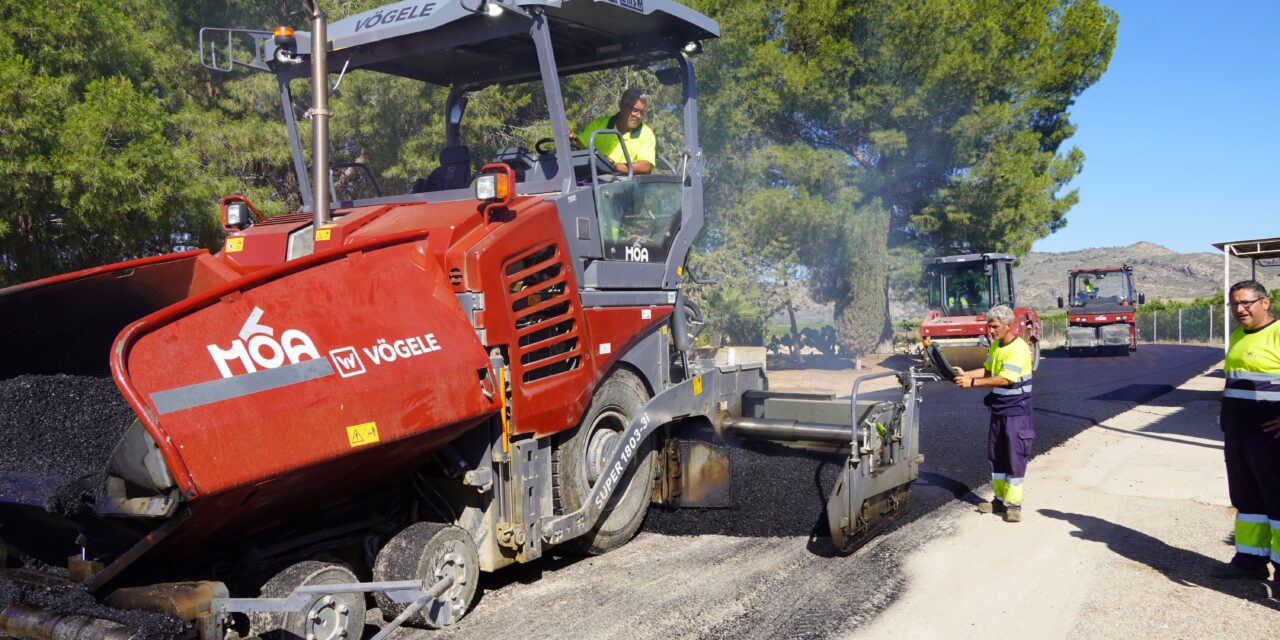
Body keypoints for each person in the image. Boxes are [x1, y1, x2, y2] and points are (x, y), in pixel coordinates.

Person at [1212, 280, 1280, 587]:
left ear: (1265, 303)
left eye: (1246, 303)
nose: (1240, 309)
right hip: (1238, 435)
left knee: (1277, 501)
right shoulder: (1239, 336)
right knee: (1247, 499)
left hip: (1270, 438)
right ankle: (1250, 561)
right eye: (1234, 304)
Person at [952, 304, 1035, 523]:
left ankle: (1014, 505)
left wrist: (972, 383)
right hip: (999, 409)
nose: (990, 331)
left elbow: (1006, 379)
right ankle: (999, 500)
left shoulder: (1019, 348)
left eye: (995, 327)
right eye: (989, 327)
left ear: (1009, 325)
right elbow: (989, 371)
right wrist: (967, 373)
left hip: (1017, 412)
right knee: (996, 455)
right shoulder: (997, 346)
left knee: (1014, 456)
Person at [573, 88, 656, 175]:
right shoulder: (598, 124)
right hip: (594, 180)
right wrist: (570, 141)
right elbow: (579, 145)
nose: (639, 116)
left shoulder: (647, 133)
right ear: (621, 106)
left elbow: (646, 166)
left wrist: (614, 166)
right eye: (635, 110)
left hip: (626, 185)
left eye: (642, 112)